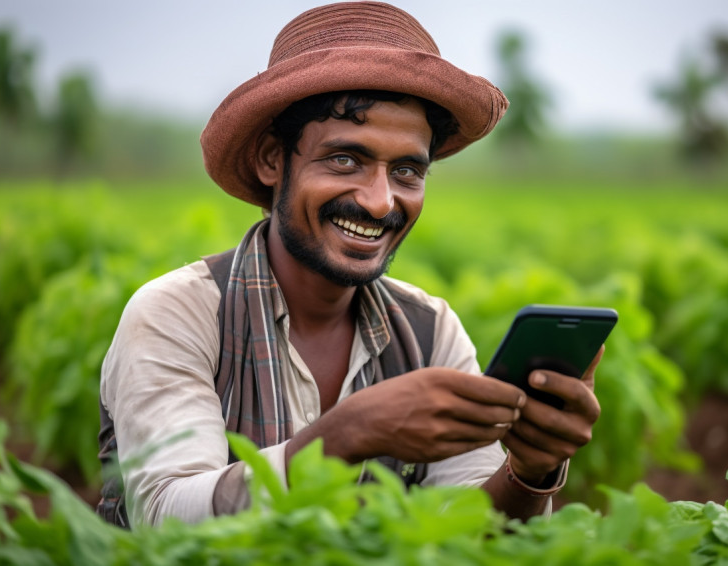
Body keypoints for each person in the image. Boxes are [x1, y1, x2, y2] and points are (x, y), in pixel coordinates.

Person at [97, 1, 602, 529]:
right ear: (273, 159)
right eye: (346, 160)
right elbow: (165, 519)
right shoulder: (178, 313)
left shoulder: (431, 334)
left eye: (407, 170)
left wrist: (530, 472)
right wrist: (344, 436)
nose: (380, 201)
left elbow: (466, 536)